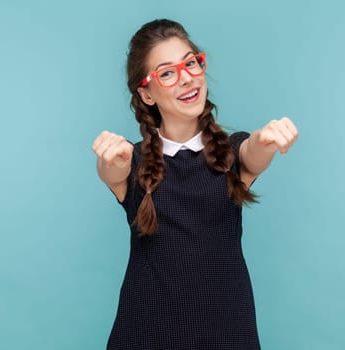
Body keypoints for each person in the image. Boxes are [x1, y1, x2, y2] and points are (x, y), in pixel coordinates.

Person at [92, 18, 298, 350]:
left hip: (229, 335)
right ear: (146, 92)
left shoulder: (228, 153)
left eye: (190, 62)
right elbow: (111, 173)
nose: (187, 77)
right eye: (167, 72)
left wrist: (266, 139)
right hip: (146, 335)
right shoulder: (132, 161)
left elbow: (253, 153)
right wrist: (107, 159)